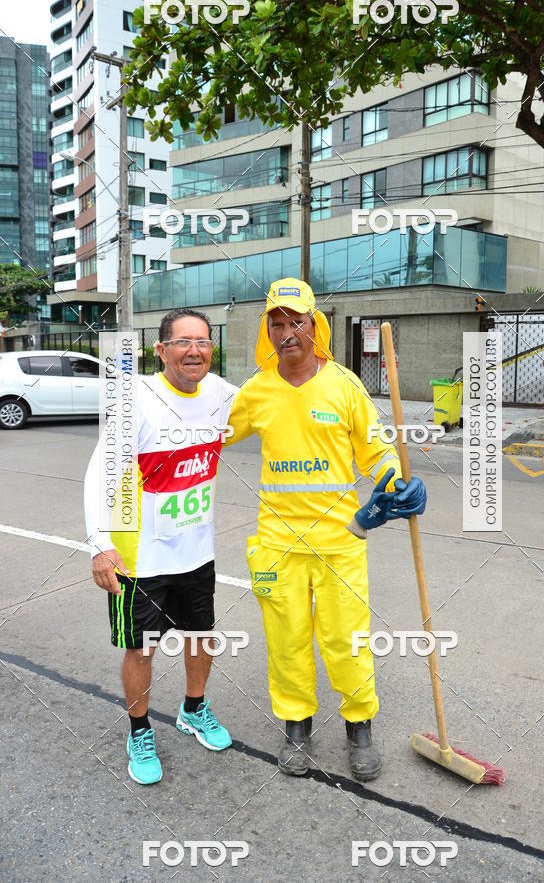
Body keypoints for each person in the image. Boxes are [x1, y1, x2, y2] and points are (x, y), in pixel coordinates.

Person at [225, 279, 426, 782]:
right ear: (267, 331)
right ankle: (297, 728)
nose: (287, 332)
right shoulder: (256, 391)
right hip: (278, 544)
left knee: (348, 640)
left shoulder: (344, 385)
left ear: (315, 326)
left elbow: (375, 451)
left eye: (297, 321)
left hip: (340, 540)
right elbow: (209, 436)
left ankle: (359, 727)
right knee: (287, 641)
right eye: (277, 323)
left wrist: (396, 482)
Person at [84, 308, 237, 785]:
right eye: (182, 342)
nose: (194, 351)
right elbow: (100, 474)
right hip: (141, 558)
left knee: (201, 636)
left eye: (203, 342)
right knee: (141, 650)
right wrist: (99, 544)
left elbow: (279, 400)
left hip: (196, 552)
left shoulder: (221, 394)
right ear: (161, 349)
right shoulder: (137, 399)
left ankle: (194, 709)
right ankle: (139, 730)